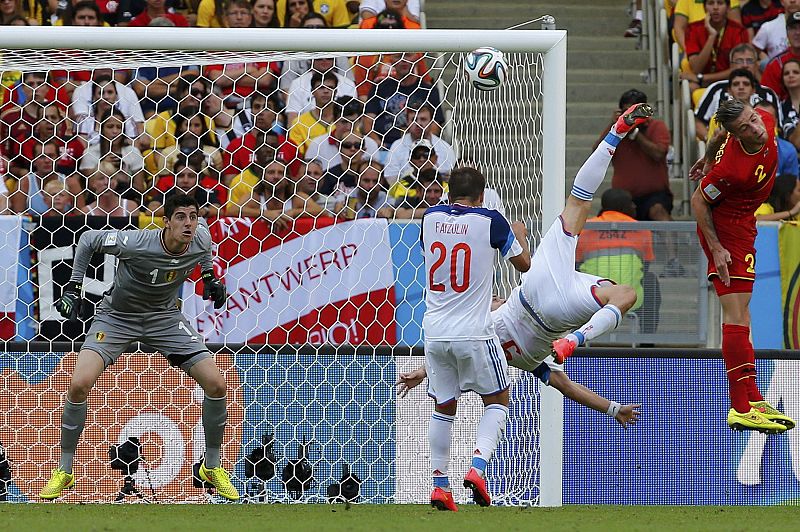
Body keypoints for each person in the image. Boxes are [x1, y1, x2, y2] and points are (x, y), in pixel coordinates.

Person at [398, 106, 649, 452]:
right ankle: (615, 135)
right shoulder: (487, 327)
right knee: (583, 210)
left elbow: (566, 387)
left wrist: (612, 408)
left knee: (619, 287)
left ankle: (576, 337)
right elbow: (522, 266)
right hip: (542, 289)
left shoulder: (511, 352)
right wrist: (518, 236)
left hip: (548, 304)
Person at [39, 193, 239, 501]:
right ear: (166, 222)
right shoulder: (136, 242)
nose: (189, 224)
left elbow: (205, 253)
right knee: (78, 384)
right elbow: (90, 239)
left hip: (165, 320)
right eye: (181, 217)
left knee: (217, 384)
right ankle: (65, 471)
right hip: (117, 319)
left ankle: (210, 467)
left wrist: (209, 276)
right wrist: (74, 286)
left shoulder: (200, 237)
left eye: (193, 217)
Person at [420, 166, 531, 512]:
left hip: (435, 331)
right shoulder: (491, 220)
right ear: (481, 196)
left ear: (447, 192)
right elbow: (524, 264)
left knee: (443, 407)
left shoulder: (429, 217)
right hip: (474, 331)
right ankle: (478, 468)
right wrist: (519, 233)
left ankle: (440, 485)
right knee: (498, 399)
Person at [690, 98, 796, 434]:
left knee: (744, 316)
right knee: (735, 317)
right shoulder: (732, 169)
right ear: (737, 136)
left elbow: (719, 130)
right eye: (745, 128)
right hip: (725, 230)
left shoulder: (764, 117)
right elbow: (697, 201)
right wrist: (717, 248)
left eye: (752, 120)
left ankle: (753, 398)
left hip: (744, 222)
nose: (755, 128)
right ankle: (739, 407)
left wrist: (706, 156)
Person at [595, 89, 683, 276]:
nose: (631, 117)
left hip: (654, 194)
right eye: (627, 112)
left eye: (635, 111)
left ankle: (673, 261)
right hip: (622, 198)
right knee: (601, 222)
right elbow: (597, 154)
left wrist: (635, 134)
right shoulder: (616, 130)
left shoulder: (656, 127)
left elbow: (659, 153)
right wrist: (614, 126)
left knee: (659, 211)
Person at [694, 44, 780, 139]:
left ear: (756, 65)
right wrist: (711, 142)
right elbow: (698, 122)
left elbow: (777, 126)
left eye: (749, 61)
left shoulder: (768, 93)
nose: (744, 65)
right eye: (739, 61)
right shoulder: (716, 89)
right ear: (731, 65)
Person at [683, 0, 750, 94]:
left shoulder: (739, 30)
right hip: (702, 82)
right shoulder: (693, 29)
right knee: (690, 88)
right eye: (710, 3)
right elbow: (696, 68)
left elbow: (738, 69)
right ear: (704, 8)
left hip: (730, 81)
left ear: (728, 8)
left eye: (720, 3)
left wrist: (702, 78)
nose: (715, 7)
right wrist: (712, 36)